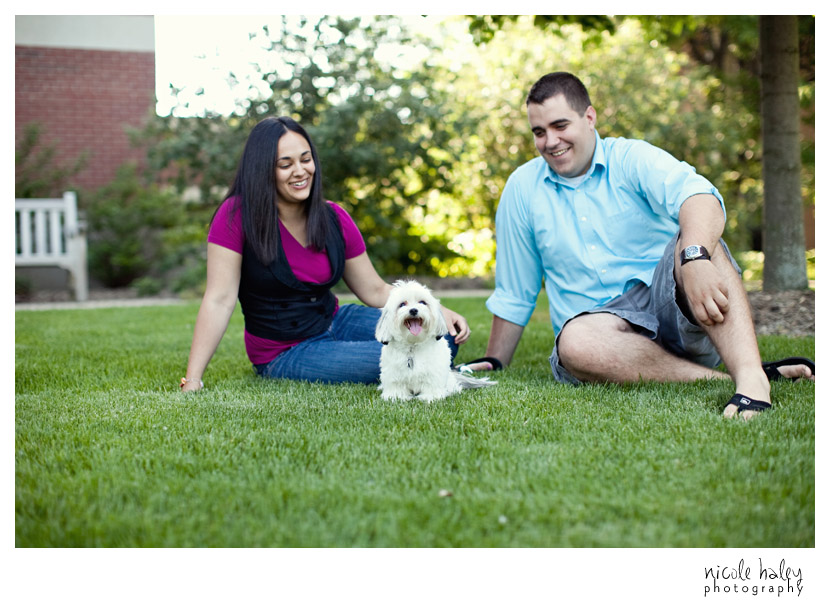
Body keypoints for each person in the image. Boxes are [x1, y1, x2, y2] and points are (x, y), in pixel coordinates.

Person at [461, 72, 814, 419]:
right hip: (602, 338)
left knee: (697, 241)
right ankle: (727, 378)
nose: (550, 141)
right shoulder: (522, 189)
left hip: (673, 309)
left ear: (589, 117)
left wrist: (694, 257)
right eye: (539, 132)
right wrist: (495, 360)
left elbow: (699, 195)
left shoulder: (630, 157)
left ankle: (752, 380)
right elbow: (516, 291)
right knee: (574, 342)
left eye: (560, 126)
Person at [181, 116, 470, 391]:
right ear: (262, 169)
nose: (300, 171)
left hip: (337, 321)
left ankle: (432, 367)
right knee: (388, 360)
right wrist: (193, 379)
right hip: (285, 350)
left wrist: (436, 309)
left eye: (306, 159)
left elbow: (374, 289)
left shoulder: (333, 217)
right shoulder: (235, 216)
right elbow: (219, 299)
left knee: (442, 334)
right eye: (285, 164)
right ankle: (433, 370)